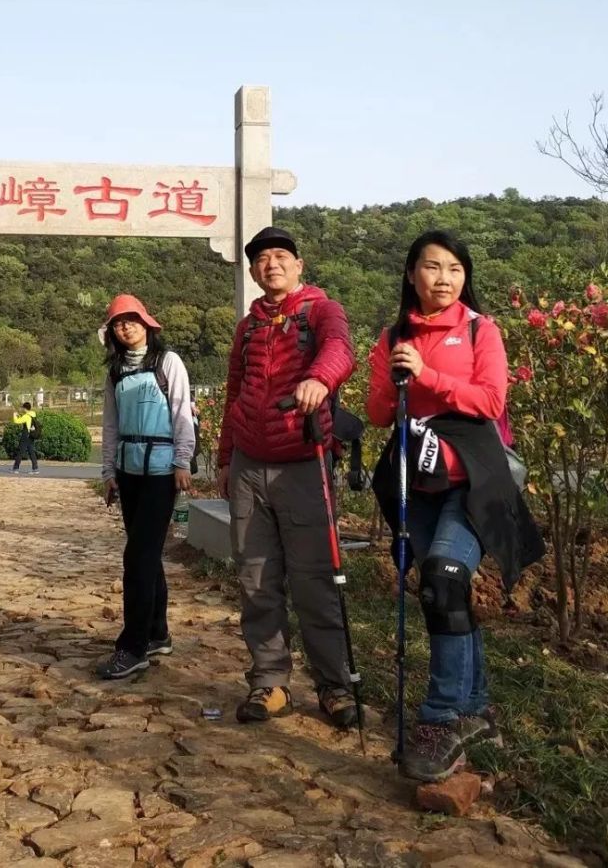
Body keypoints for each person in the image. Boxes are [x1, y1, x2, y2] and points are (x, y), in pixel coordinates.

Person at [367, 229, 545, 782]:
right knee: (448, 590)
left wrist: (429, 376)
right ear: (410, 274)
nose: (443, 279)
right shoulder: (393, 335)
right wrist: (394, 377)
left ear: (465, 277)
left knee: (443, 580)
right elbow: (378, 413)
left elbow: (491, 400)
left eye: (454, 269)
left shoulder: (480, 330)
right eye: (431, 267)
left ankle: (441, 719)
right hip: (418, 481)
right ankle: (478, 706)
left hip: (473, 478)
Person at [217, 226, 359, 727]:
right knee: (256, 581)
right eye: (261, 259)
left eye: (281, 256)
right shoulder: (249, 326)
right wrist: (225, 459)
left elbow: (341, 349)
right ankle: (270, 682)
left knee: (315, 582)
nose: (270, 264)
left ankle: (335, 685)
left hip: (304, 464)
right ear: (253, 272)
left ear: (299, 265)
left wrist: (319, 378)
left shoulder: (320, 309)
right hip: (250, 469)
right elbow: (236, 391)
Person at [98, 294, 195, 679]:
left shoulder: (167, 362)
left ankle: (133, 646)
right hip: (128, 471)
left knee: (136, 557)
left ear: (146, 324)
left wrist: (182, 462)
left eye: (131, 320)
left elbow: (181, 411)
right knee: (147, 555)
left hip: (160, 472)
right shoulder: (115, 371)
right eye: (118, 322)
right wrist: (108, 472)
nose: (126, 327)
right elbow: (110, 425)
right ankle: (156, 632)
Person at [12, 401, 39, 473]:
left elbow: (17, 421)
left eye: (23, 408)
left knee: (20, 451)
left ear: (25, 408)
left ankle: (16, 468)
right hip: (31, 435)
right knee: (31, 452)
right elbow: (27, 422)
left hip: (26, 435)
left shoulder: (26, 416)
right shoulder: (33, 415)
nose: (22, 409)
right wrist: (20, 416)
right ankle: (35, 469)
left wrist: (15, 415)